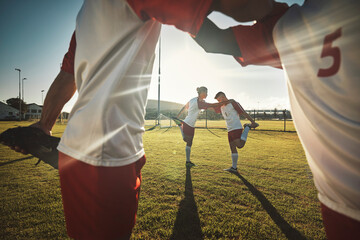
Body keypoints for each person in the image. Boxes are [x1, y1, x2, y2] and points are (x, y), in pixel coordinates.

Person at [8, 1, 278, 239]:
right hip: (109, 158)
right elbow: (220, 25)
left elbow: (67, 76)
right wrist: (288, 29)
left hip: (79, 150)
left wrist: (43, 125)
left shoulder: (86, 13)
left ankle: (58, 150)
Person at [193, 0, 360, 239]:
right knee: (233, 146)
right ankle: (234, 165)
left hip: (342, 206)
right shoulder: (295, 25)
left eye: (221, 95)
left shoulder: (295, 26)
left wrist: (191, 10)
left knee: (238, 143)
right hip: (338, 208)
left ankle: (246, 137)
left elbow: (215, 39)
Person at [175, 87, 233, 166]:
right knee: (187, 141)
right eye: (205, 92)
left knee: (188, 142)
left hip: (190, 124)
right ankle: (187, 161)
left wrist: (177, 116)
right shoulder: (199, 103)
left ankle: (180, 125)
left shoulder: (193, 100)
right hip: (188, 124)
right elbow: (211, 105)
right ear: (201, 92)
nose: (207, 94)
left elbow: (184, 107)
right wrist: (227, 102)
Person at [214, 91, 258, 172]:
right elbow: (211, 106)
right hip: (229, 130)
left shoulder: (233, 103)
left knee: (240, 145)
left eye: (219, 100)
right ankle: (234, 168)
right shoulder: (221, 107)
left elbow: (243, 112)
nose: (218, 102)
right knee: (232, 148)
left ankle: (247, 128)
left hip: (236, 127)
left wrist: (252, 122)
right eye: (218, 101)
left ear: (223, 97)